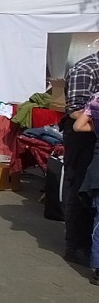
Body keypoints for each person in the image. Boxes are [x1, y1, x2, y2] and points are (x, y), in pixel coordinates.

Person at [62, 50, 99, 265]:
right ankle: (76, 246)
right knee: (78, 187)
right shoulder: (86, 69)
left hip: (92, 134)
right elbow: (75, 111)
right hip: (82, 138)